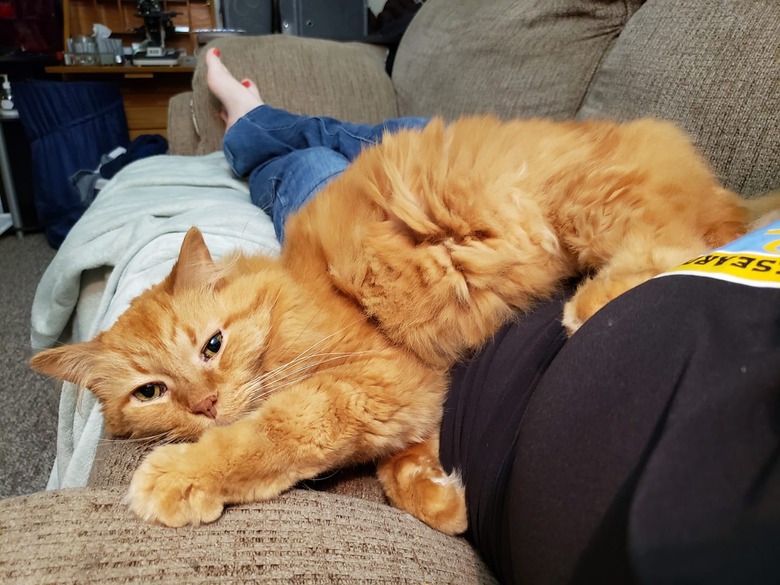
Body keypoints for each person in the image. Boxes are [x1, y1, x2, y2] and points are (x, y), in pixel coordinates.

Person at [207, 49, 780, 585]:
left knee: (308, 169)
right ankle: (256, 125)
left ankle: (252, 127)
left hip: (395, 255)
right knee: (333, 157)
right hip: (422, 237)